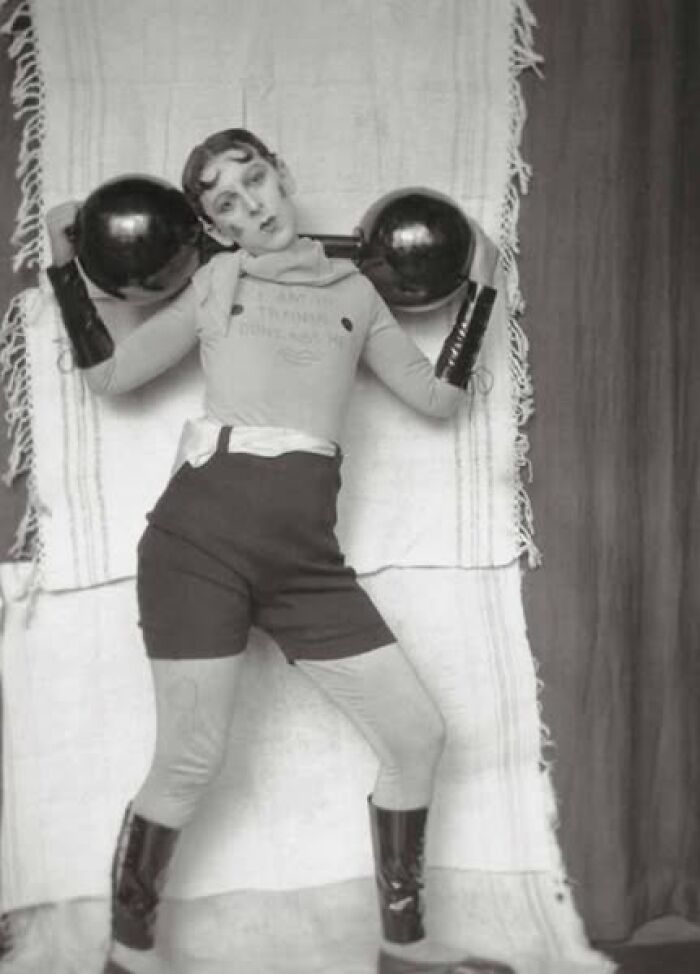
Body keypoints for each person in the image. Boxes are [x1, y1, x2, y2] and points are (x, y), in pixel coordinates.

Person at [45, 128, 512, 974]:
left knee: (416, 737)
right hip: (197, 547)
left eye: (254, 179)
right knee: (189, 761)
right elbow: (111, 376)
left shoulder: (356, 292)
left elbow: (439, 399)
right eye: (225, 201)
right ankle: (128, 958)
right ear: (212, 226)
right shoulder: (215, 281)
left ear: (281, 174)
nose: (250, 205)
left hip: (305, 565)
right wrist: (62, 261)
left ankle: (404, 952)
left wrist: (479, 289)